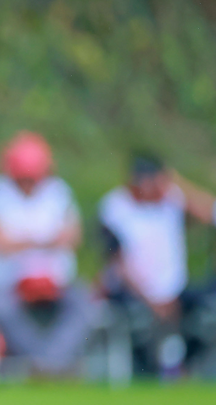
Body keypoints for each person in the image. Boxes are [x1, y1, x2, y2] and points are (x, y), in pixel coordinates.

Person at [0, 131, 94, 375]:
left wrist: (23, 241)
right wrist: (44, 240)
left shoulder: (59, 192)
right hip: (8, 284)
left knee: (86, 303)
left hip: (55, 283)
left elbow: (73, 236)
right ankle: (44, 363)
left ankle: (50, 362)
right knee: (1, 309)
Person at [99, 153, 216, 377]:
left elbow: (210, 213)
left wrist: (178, 184)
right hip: (135, 292)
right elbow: (118, 264)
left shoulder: (172, 199)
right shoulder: (115, 207)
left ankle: (187, 369)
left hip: (175, 290)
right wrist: (151, 298)